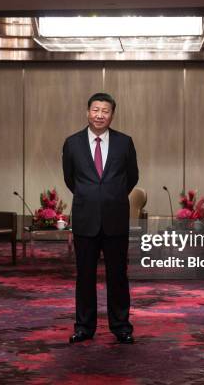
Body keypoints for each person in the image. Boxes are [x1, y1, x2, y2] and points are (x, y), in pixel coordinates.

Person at [62, 93, 139, 344]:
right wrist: (91, 196)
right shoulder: (72, 143)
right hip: (86, 219)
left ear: (112, 115)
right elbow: (70, 178)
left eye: (105, 111)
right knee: (85, 276)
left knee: (118, 275)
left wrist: (111, 195)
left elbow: (132, 176)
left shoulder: (124, 142)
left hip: (115, 218)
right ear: (87, 112)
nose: (99, 115)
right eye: (95, 110)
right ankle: (84, 326)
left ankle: (121, 326)